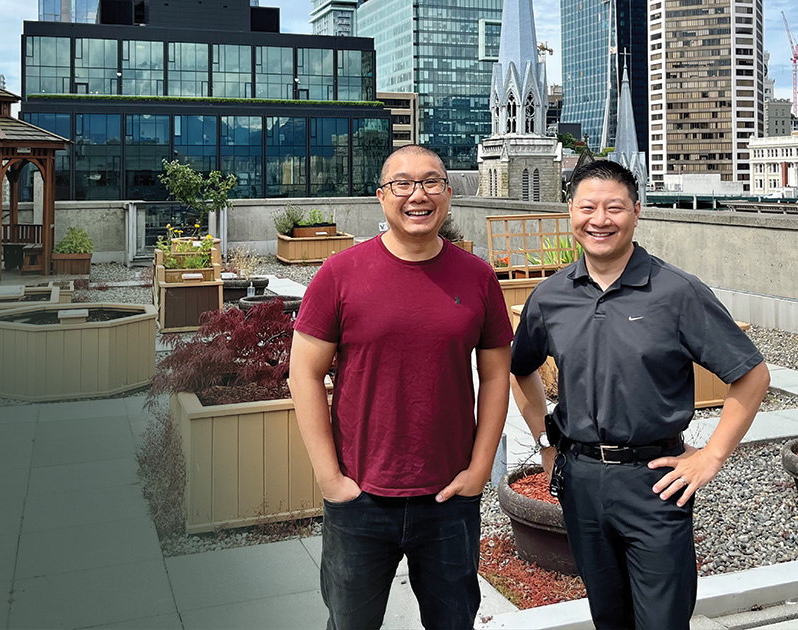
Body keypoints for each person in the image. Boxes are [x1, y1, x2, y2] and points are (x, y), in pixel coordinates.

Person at [510, 160, 771, 629]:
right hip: (581, 480)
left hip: (653, 482)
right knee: (608, 615)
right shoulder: (550, 296)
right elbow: (520, 369)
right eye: (587, 207)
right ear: (571, 212)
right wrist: (545, 443)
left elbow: (751, 376)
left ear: (636, 212)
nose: (600, 219)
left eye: (615, 207)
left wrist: (711, 457)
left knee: (663, 620)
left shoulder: (677, 292)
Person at [289, 145, 514, 630]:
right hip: (361, 497)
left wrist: (478, 471)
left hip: (449, 498)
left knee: (454, 622)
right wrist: (331, 479)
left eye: (432, 182)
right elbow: (303, 373)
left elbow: (497, 374)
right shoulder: (339, 275)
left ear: (449, 194)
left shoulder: (477, 277)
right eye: (403, 184)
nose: (418, 194)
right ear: (382, 197)